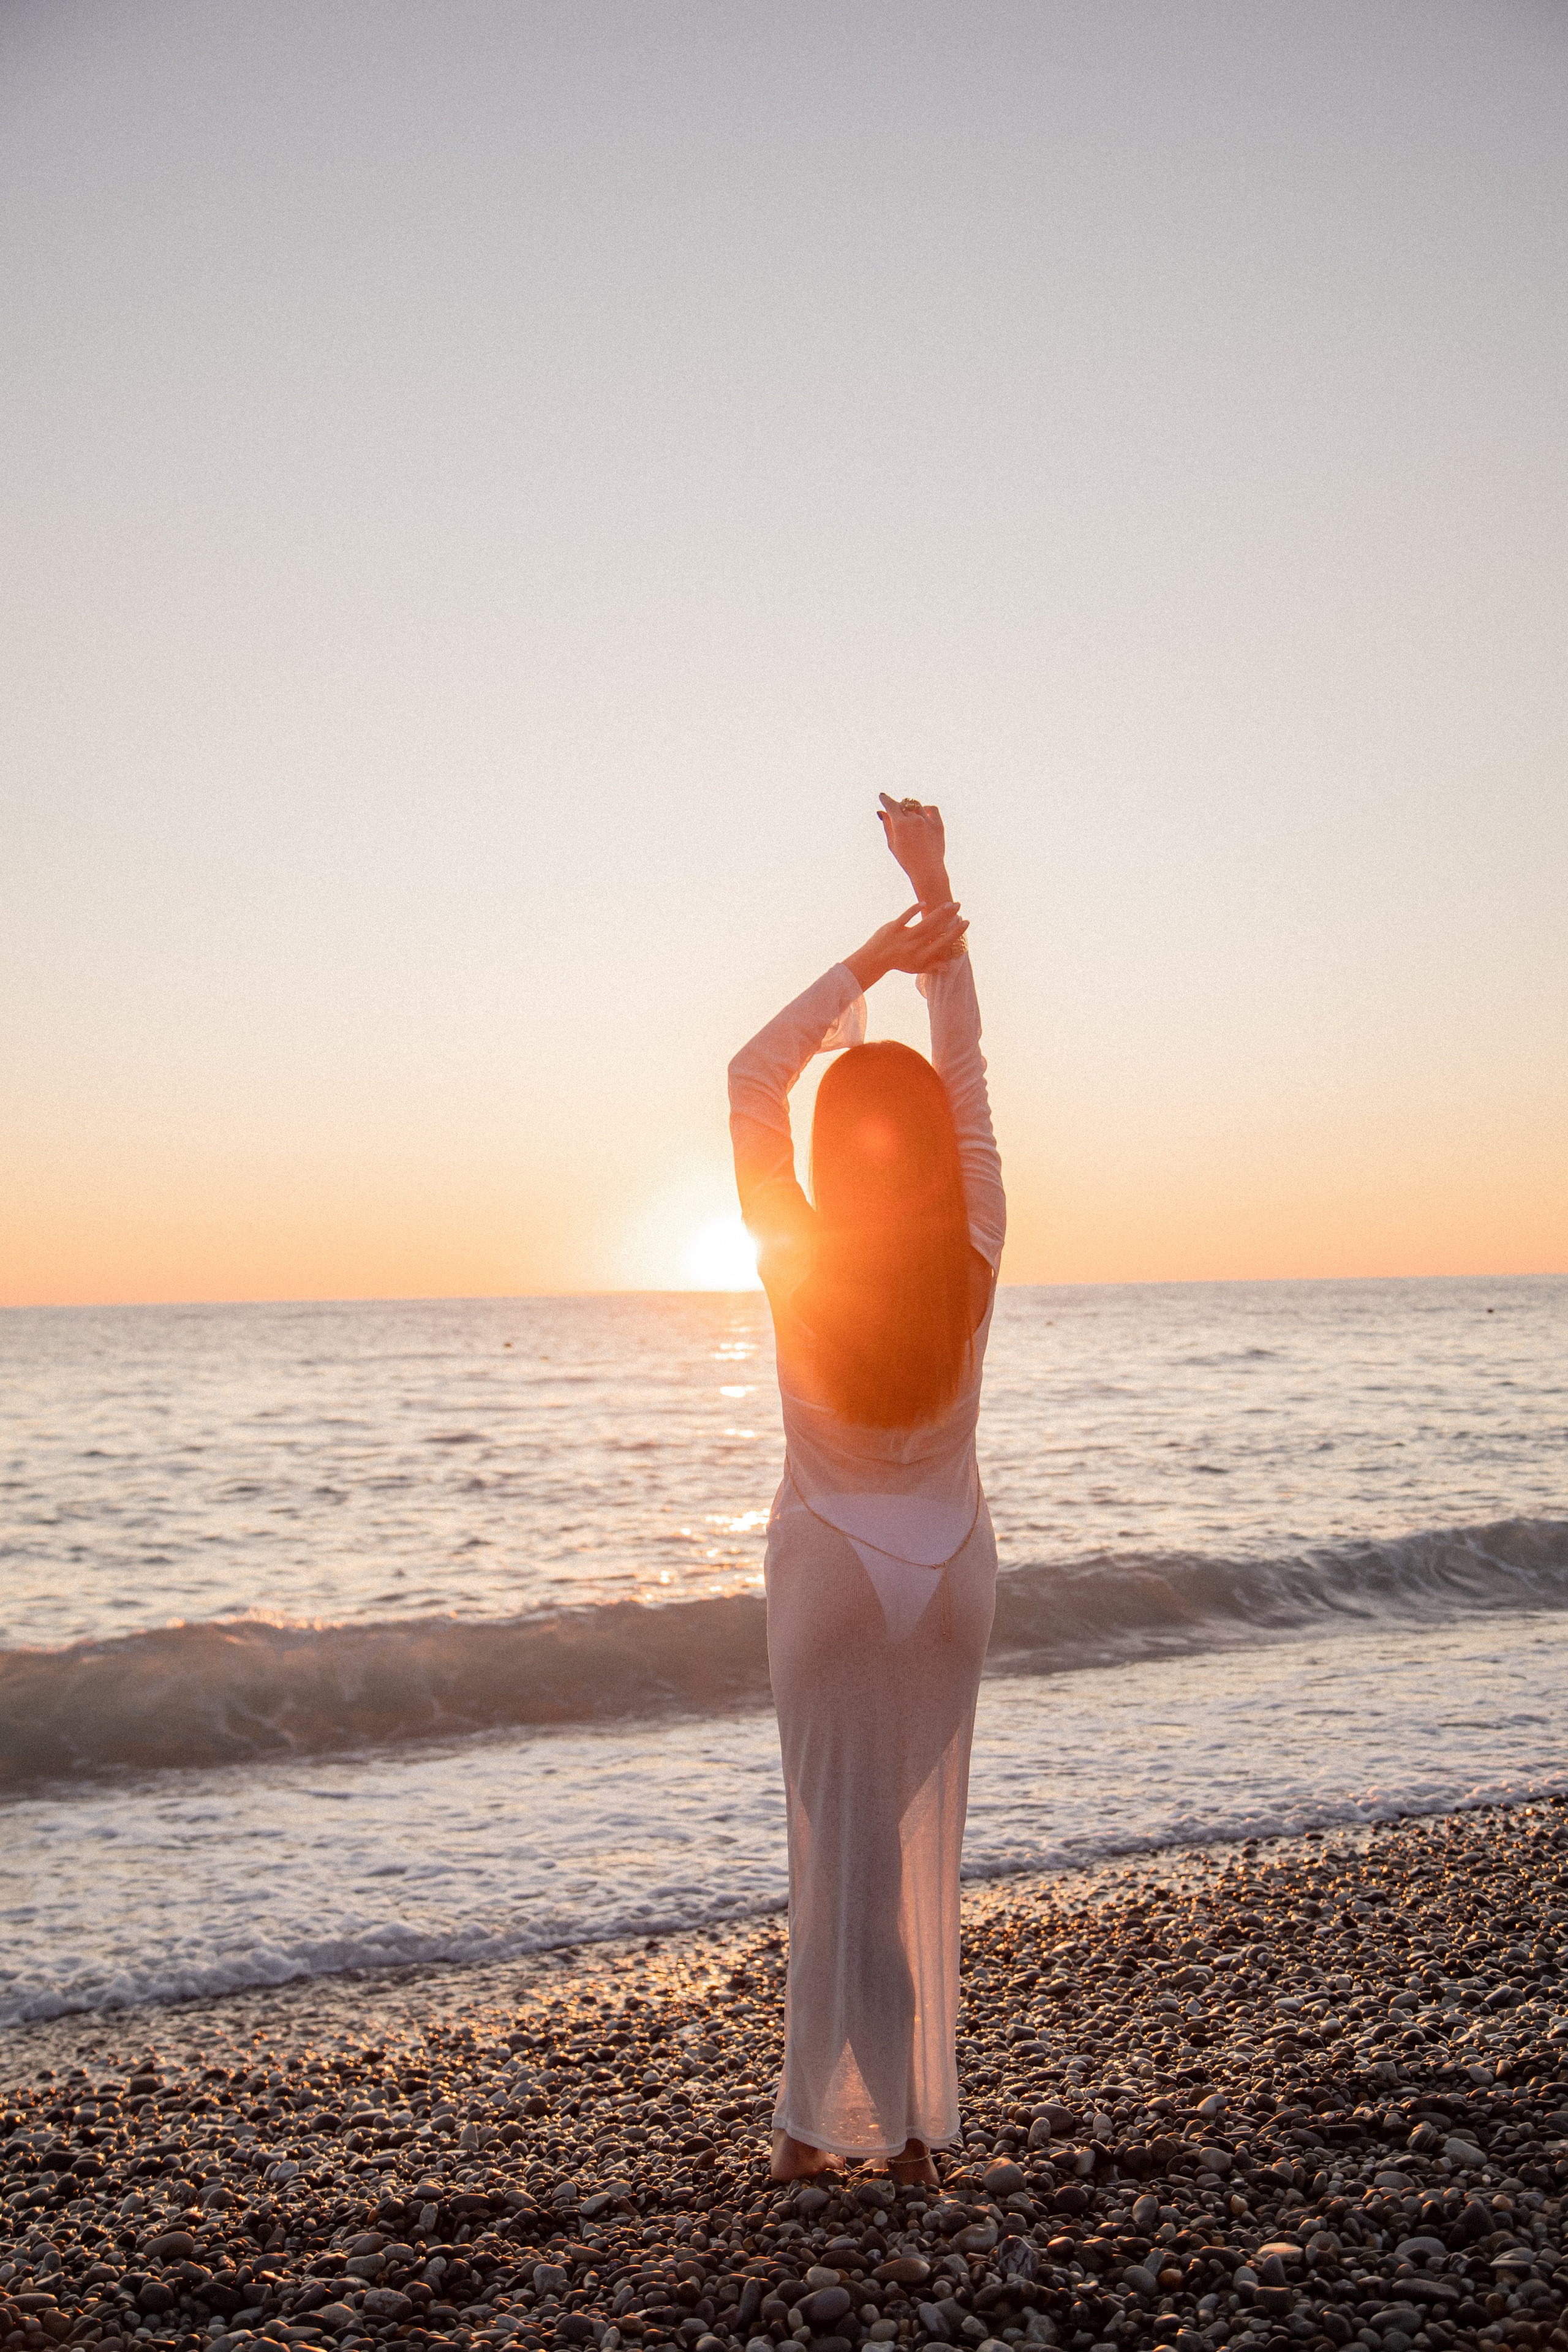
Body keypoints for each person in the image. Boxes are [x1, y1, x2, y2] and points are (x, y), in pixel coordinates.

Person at [727, 794, 1006, 2186]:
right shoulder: (971, 1239)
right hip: (948, 1572)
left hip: (833, 1570)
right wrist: (936, 895)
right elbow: (964, 1074)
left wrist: (865, 957)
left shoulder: (793, 1251)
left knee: (830, 1856)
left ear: (837, 1155)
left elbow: (747, 1076)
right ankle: (898, 2135)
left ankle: (810, 2135)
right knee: (882, 1849)